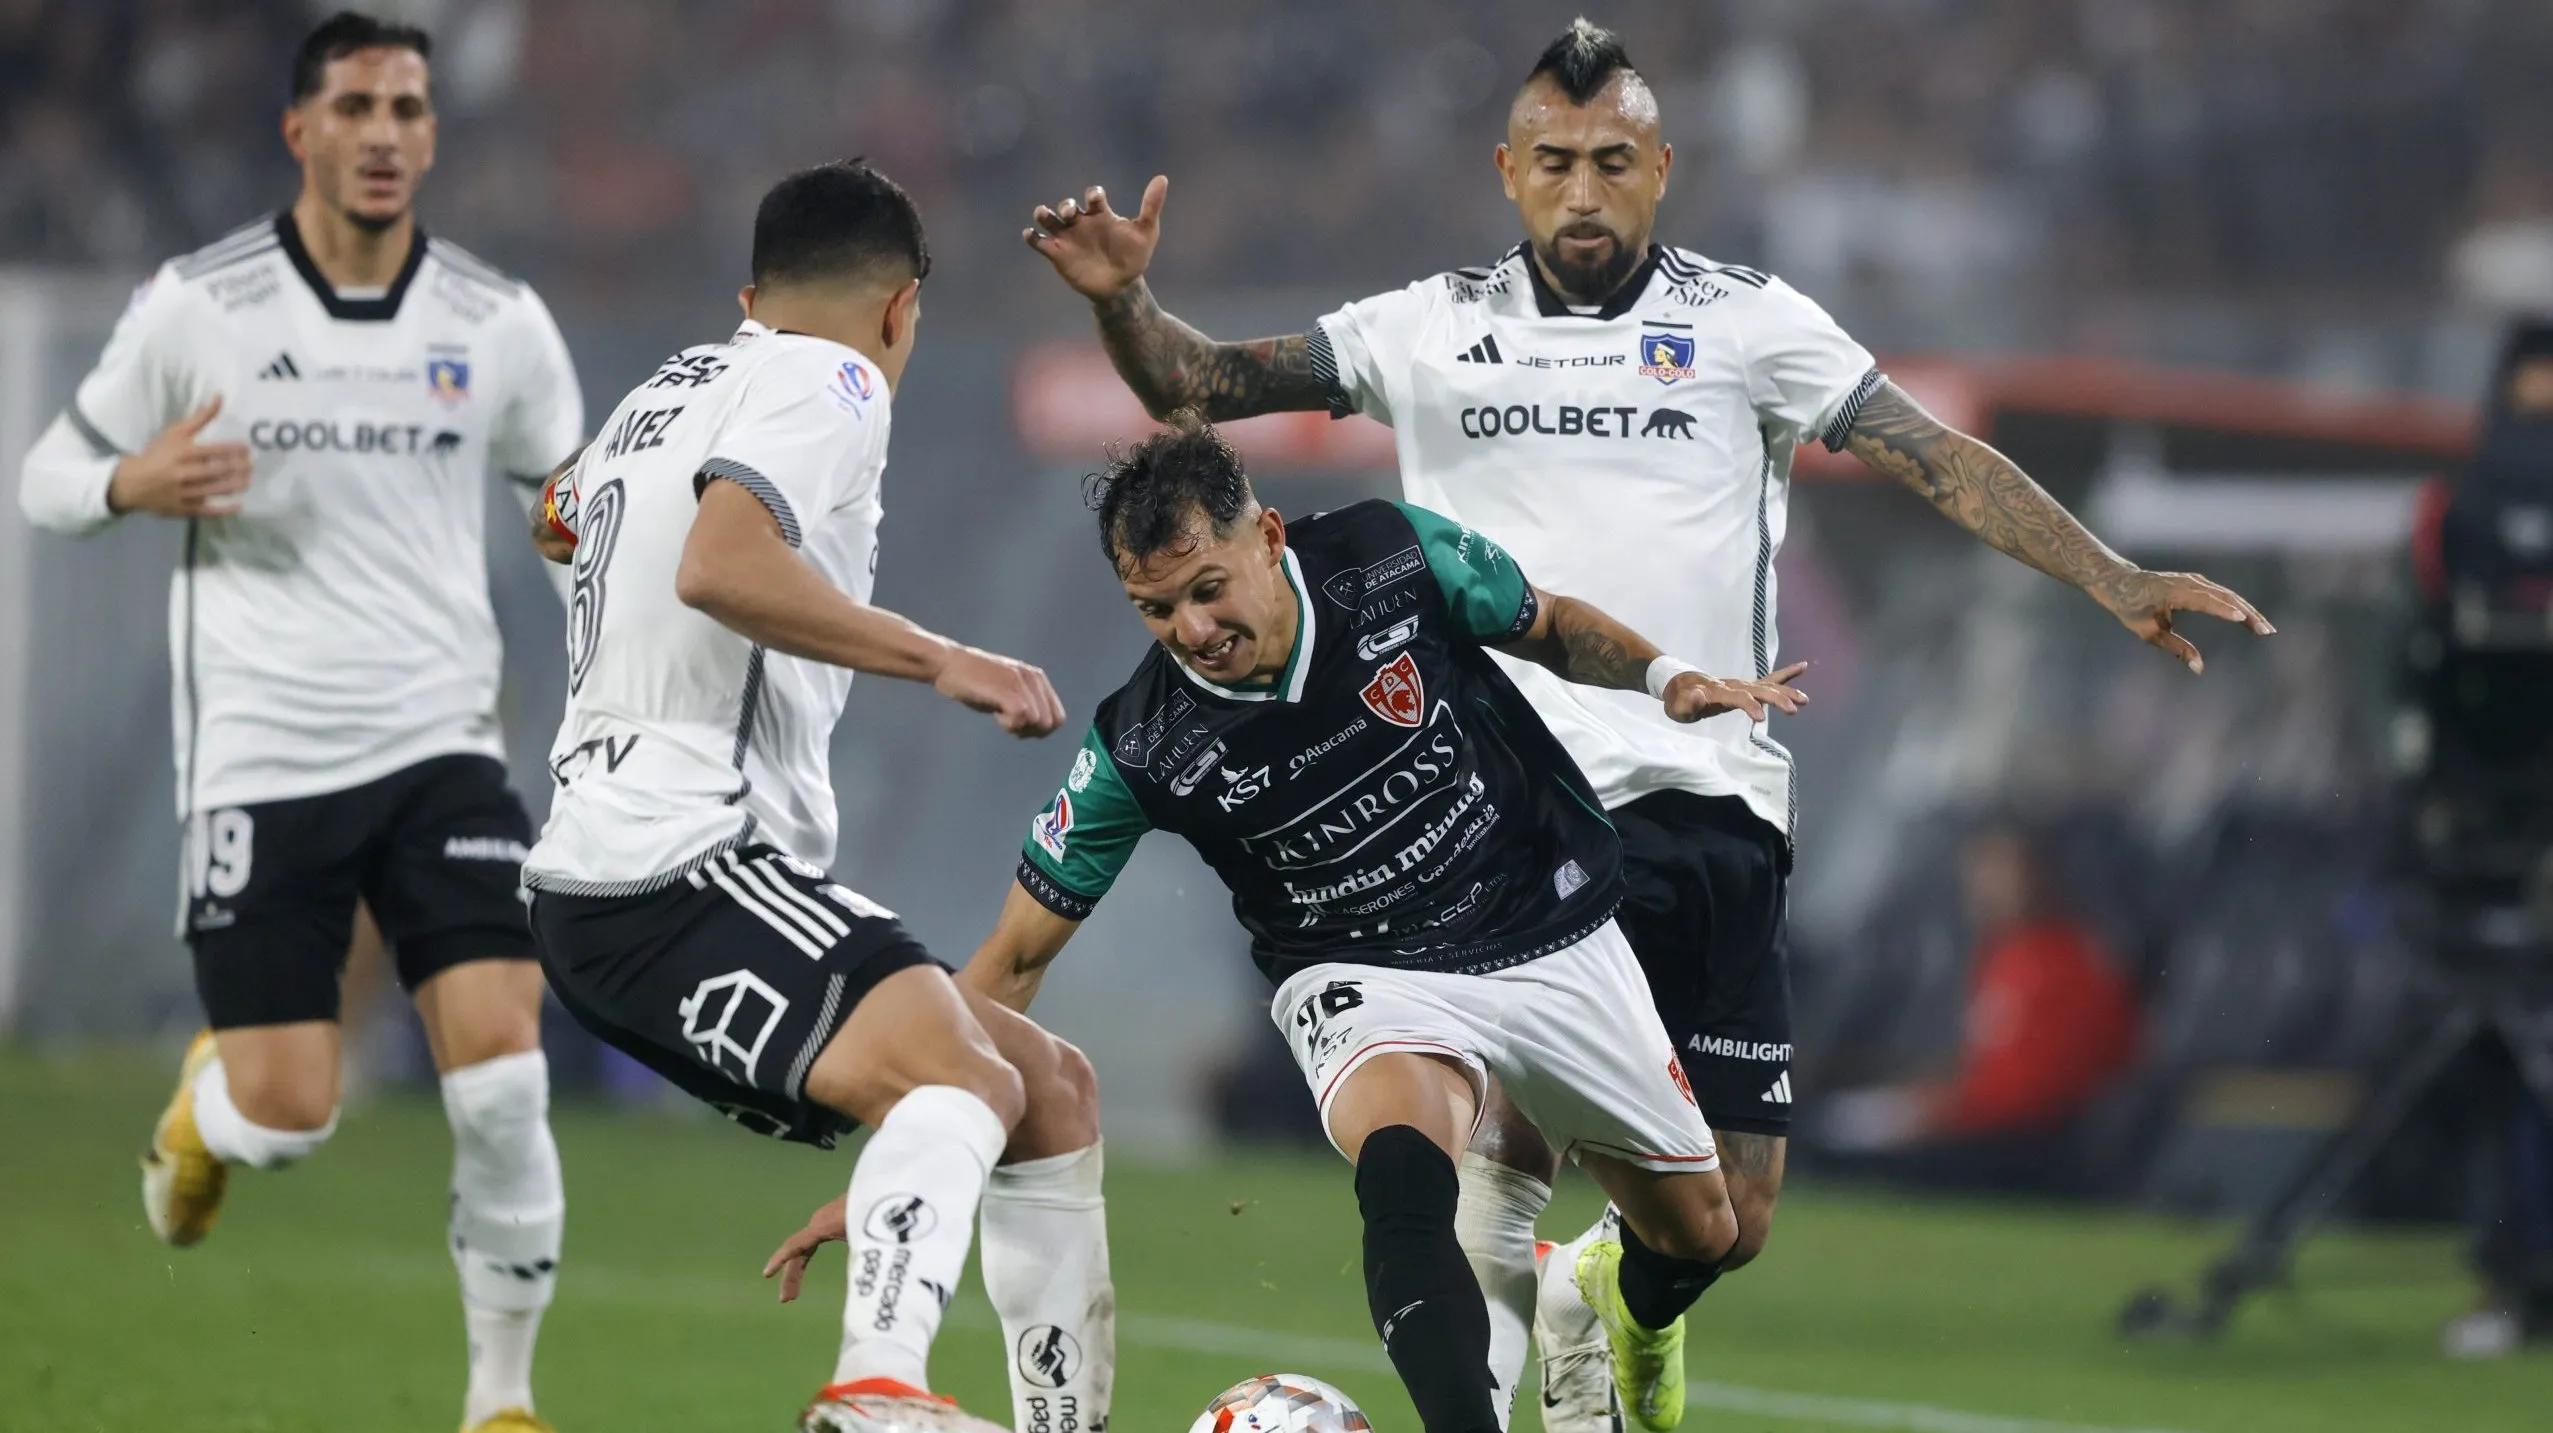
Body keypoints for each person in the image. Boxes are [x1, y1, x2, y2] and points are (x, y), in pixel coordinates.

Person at [1021, 18, 2273, 1430]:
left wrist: (2109, 574)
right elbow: (1200, 387)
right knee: (1501, 1157)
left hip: (1712, 800)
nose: (1582, 190)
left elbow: (1932, 454)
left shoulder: (1749, 320)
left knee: (1728, 1217)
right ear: (1507, 172)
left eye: (1611, 161)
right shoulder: (1426, 325)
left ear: (1661, 169)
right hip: (1506, 812)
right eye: (1553, 161)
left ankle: (1602, 1291)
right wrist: (1124, 303)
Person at [959, 417, 1805, 1433]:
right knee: (1404, 1169)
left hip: (1543, 917)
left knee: (1706, 1231)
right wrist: (923, 1137)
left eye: (1207, 588)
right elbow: (1013, 957)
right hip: (1357, 967)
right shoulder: (1143, 742)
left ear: (1269, 537)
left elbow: (1544, 621)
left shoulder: (1389, 555)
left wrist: (1666, 676)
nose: (1191, 628)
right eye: (1156, 608)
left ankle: (1584, 1289)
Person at [17, 14, 582, 1431]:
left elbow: (568, 507)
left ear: (431, 134)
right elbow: (46, 477)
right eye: (355, 107)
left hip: (444, 742)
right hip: (264, 756)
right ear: (300, 130)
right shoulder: (198, 305)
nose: (384, 133)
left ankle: (501, 1400)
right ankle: (212, 1107)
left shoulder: (497, 322)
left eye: (407, 108)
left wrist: (605, 588)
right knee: (288, 1115)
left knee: (502, 1076)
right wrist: (129, 483)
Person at [519, 159, 1114, 1433]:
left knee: (1050, 1089)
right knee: (963, 1079)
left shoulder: (667, 390)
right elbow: (719, 564)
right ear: (901, 309)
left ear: (751, 300)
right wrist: (942, 657)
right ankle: (877, 1388)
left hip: (619, 873)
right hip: (678, 865)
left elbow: (556, 516)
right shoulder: (834, 378)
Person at [1816, 825, 2144, 1182]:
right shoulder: (2001, 956)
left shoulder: (2068, 962)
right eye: (1977, 872)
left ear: (2039, 876)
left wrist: (1941, 1109)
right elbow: (1984, 1064)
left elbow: (2042, 1089)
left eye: (1998, 872)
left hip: (2037, 1140)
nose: (1982, 886)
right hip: (1987, 1123)